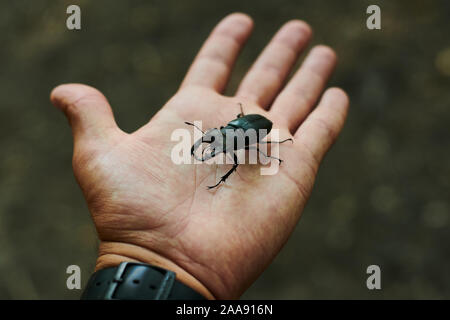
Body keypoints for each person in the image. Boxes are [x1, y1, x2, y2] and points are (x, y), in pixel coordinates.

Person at [50, 13, 349, 300]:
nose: (213, 147)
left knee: (240, 157)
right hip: (243, 127)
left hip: (256, 129)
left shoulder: (240, 140)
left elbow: (242, 146)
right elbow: (220, 137)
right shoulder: (226, 132)